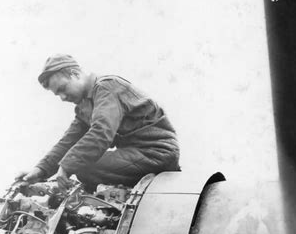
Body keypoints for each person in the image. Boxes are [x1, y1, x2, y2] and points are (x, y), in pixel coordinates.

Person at [21, 54, 180, 193]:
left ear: (75, 74)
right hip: (139, 152)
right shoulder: (85, 105)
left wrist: (66, 167)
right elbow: (68, 141)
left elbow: (101, 133)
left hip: (156, 152)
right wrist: (40, 170)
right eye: (57, 94)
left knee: (83, 167)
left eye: (63, 88)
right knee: (81, 164)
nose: (62, 97)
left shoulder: (105, 87)